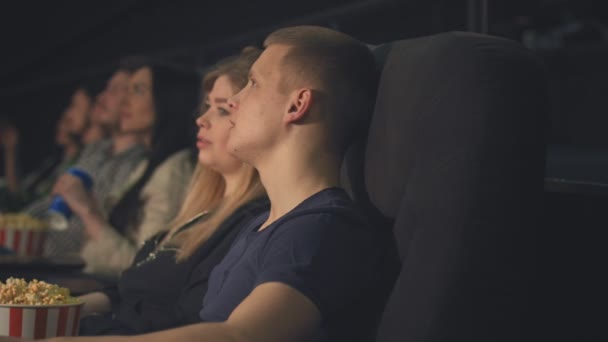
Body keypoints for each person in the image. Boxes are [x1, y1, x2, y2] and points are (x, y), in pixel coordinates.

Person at [4, 25, 393, 342]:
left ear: (297, 105)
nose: (235, 102)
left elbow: (243, 335)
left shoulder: (322, 228)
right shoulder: (261, 229)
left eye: (252, 84)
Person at [76, 47, 267, 336]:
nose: (201, 120)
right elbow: (129, 289)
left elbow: (178, 318)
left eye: (223, 109)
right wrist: (55, 307)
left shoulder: (249, 222)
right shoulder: (203, 206)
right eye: (206, 107)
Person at [52, 57, 201, 276]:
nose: (124, 102)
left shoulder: (174, 169)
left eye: (137, 91)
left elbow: (144, 265)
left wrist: (87, 211)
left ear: (167, 100)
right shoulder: (149, 164)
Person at [0, 87, 92, 211]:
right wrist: (10, 149)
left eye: (73, 106)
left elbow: (27, 204)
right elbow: (19, 195)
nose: (66, 115)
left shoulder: (82, 163)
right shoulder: (51, 163)